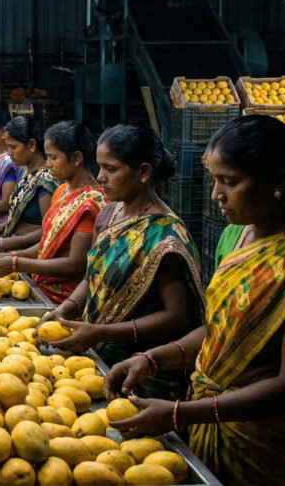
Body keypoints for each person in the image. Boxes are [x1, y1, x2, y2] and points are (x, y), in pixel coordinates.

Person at [105, 116, 285, 486]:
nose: (216, 195)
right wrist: (152, 359)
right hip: (214, 422)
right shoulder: (235, 237)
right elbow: (219, 330)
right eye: (214, 180)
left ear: (276, 182)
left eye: (230, 182)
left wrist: (183, 413)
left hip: (269, 446)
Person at [40, 123, 204, 399]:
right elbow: (93, 275)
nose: (101, 177)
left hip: (142, 373)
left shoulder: (165, 237)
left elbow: (178, 317)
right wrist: (67, 308)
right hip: (98, 357)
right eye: (100, 167)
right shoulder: (110, 213)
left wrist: (102, 332)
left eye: (111, 169)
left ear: (143, 172)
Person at [0, 120, 105, 304]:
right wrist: (13, 256)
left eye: (54, 158)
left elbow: (75, 264)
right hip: (41, 288)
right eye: (47, 157)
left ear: (77, 158)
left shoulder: (90, 203)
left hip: (67, 300)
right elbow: (47, 243)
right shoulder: (62, 191)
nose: (48, 164)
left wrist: (18, 263)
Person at [0, 116, 59, 254]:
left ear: (32, 145)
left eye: (13, 147)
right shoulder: (25, 171)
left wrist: (7, 242)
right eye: (7, 147)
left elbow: (49, 230)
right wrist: (6, 226)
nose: (9, 152)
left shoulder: (46, 179)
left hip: (30, 256)